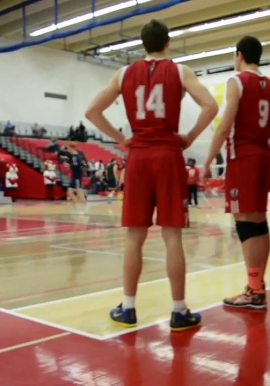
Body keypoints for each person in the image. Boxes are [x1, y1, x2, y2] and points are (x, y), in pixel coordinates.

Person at [85, 19, 218, 331]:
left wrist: (122, 140)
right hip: (169, 154)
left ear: (142, 45)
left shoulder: (124, 73)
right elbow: (210, 106)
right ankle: (179, 310)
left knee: (135, 237)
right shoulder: (181, 71)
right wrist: (190, 136)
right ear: (167, 43)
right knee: (172, 236)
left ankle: (128, 307)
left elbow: (92, 111)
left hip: (139, 155)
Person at [203, 35, 270, 309]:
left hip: (242, 155)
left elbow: (225, 126)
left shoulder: (236, 82)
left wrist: (208, 160)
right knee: (260, 222)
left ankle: (254, 290)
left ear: (239, 55)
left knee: (246, 223)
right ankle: (257, 285)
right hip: (262, 155)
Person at [66, 143, 87, 214]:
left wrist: (69, 165)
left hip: (77, 177)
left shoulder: (75, 156)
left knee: (79, 193)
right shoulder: (76, 156)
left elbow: (77, 166)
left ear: (72, 148)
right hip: (74, 176)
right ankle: (77, 208)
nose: (68, 150)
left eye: (68, 148)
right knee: (70, 193)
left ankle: (83, 208)